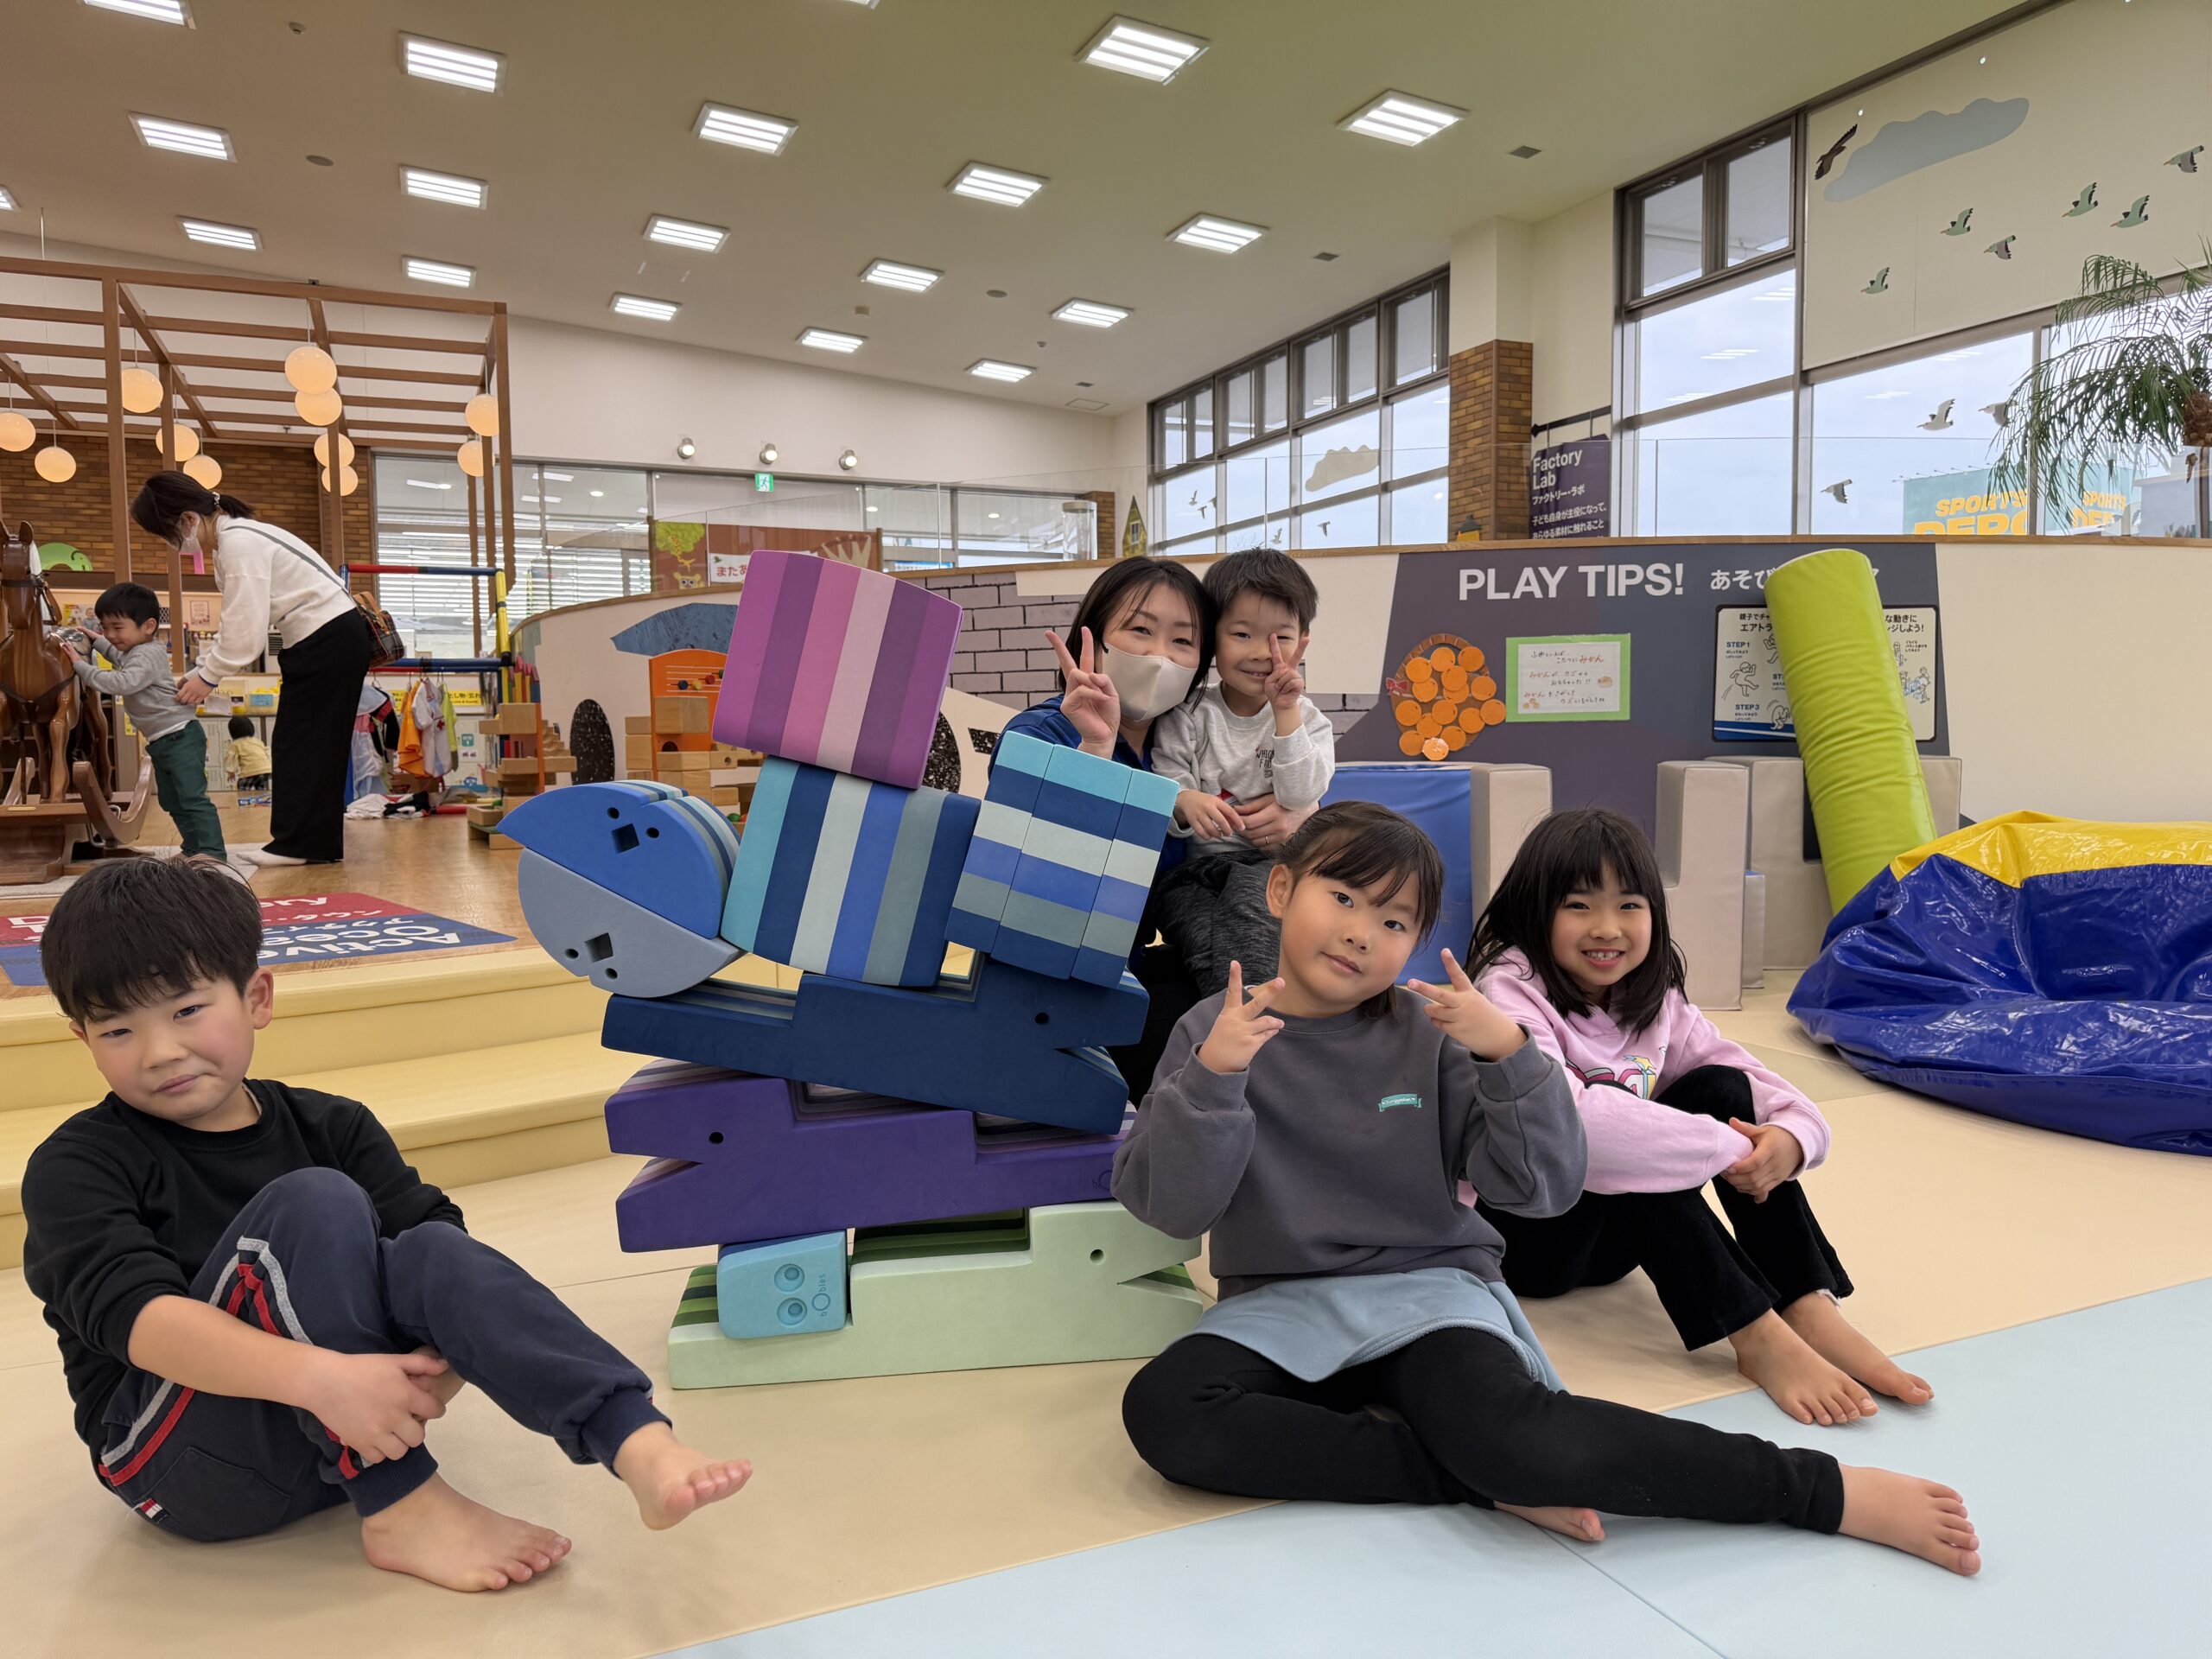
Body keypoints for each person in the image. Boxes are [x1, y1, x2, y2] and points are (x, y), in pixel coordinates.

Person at [1114, 801, 1980, 1575]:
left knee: (1526, 1437)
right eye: (1340, 898)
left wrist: (1508, 1059)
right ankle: (1474, 1476)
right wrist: (1214, 1081)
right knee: (1166, 1414)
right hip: (1280, 1303)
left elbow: (1541, 1188)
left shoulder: (1432, 1032)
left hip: (1428, 1294)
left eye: (1392, 918)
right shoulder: (1211, 1030)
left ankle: (1819, 1490)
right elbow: (1170, 1209)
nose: (1359, 932)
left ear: (1415, 941)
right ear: (1280, 891)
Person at [20, 857, 751, 1592]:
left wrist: (426, 1373)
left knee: (429, 1247)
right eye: (118, 1030)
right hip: (191, 1469)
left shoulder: (332, 1125)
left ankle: (633, 1438)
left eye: (186, 1011)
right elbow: (138, 1320)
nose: (160, 1052)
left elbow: (445, 1262)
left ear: (256, 997)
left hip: (347, 1432)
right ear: (84, 1039)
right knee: (315, 1203)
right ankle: (402, 1502)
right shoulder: (78, 1165)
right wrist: (323, 1381)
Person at [1467, 807, 1933, 1426]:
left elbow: (1750, 1080)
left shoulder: (1652, 999)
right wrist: (1733, 1150)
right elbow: (1575, 1129)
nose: (1607, 928)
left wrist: (1791, 1140)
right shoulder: (1508, 992)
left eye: (1629, 905)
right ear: (1534, 911)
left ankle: (1804, 1300)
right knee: (1631, 1138)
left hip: (1614, 1242)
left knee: (1719, 1087)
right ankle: (1755, 1331)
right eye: (1578, 905)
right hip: (1528, 1235)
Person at [130, 472, 372, 868]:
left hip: (326, 637)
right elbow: (236, 621)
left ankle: (299, 845)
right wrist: (203, 668)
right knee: (308, 743)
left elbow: (246, 630)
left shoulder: (239, 543)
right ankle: (309, 844)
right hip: (325, 637)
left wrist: (208, 676)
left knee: (303, 743)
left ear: (188, 519)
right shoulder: (238, 536)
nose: (172, 545)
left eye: (169, 534)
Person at [1149, 549, 1336, 996]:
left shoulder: (1308, 721)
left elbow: (1302, 794)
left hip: (1272, 869)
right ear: (1213, 637)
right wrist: (1185, 799)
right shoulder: (1189, 713)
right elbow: (1164, 780)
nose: (1259, 653)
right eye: (1241, 634)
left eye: (1280, 638)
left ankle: (1248, 1013)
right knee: (1198, 938)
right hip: (1195, 873)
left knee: (1252, 924)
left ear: (1302, 642)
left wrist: (1285, 712)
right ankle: (1234, 1011)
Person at [60, 582, 225, 861]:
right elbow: (117, 655)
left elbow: (123, 682)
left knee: (191, 797)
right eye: (105, 627)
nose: (110, 635)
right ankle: (193, 848)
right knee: (172, 800)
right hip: (163, 741)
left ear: (148, 626)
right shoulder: (135, 651)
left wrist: (80, 665)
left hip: (180, 737)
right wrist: (97, 641)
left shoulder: (147, 654)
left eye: (117, 627)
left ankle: (212, 851)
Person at [225, 715, 272, 792]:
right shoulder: (257, 741)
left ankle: (244, 799)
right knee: (259, 787)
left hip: (250, 771)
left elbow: (231, 758)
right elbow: (267, 753)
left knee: (242, 786)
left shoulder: (236, 744)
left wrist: (231, 772)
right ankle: (261, 797)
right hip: (265, 771)